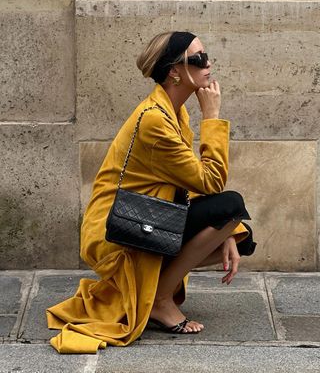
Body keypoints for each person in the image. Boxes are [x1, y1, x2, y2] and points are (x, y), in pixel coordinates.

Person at [47, 31, 256, 353]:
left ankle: (158, 286)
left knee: (241, 235)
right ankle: (159, 299)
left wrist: (226, 233)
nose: (208, 63)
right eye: (198, 59)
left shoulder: (173, 110)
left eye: (206, 55)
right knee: (230, 206)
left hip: (147, 213)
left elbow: (187, 184)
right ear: (174, 71)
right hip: (117, 229)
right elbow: (211, 182)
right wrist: (213, 118)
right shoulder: (154, 120)